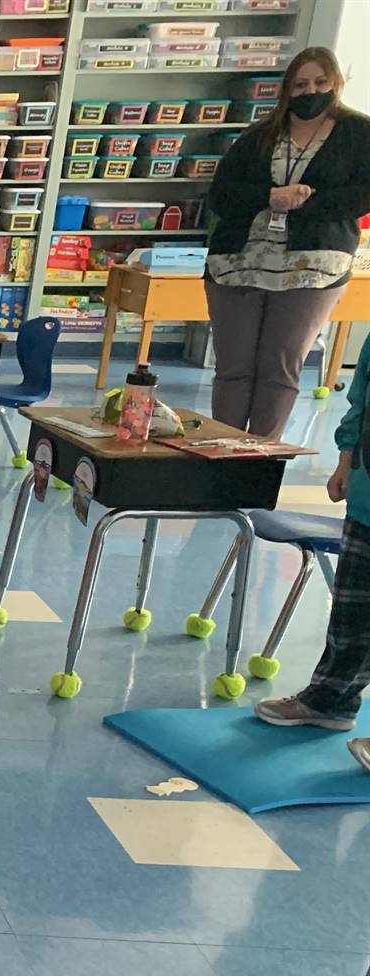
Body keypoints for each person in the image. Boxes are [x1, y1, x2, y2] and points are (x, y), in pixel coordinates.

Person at [204, 47, 370, 440]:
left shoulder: (358, 134)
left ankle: (260, 457)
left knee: (280, 366)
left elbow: (361, 194)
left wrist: (306, 203)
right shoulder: (260, 135)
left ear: (334, 84)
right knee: (233, 367)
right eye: (300, 84)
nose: (310, 91)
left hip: (311, 267)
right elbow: (221, 194)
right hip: (241, 262)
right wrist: (270, 197)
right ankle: (221, 454)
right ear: (286, 89)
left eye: (319, 82)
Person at [255, 329, 370, 773]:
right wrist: (346, 460)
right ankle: (330, 699)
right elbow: (360, 400)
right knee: (352, 612)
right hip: (366, 492)